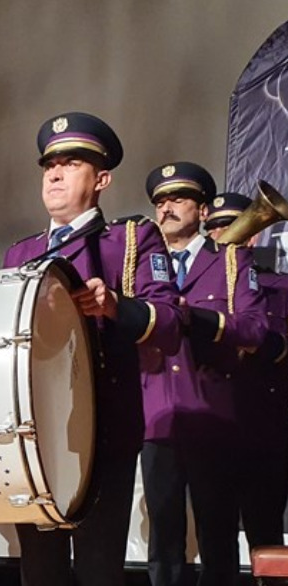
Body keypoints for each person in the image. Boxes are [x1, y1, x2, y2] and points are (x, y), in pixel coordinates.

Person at [3, 113, 182, 586]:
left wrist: (115, 307)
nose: (55, 174)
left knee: (98, 570)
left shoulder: (130, 239)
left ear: (102, 179)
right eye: (49, 166)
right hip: (36, 433)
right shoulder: (19, 254)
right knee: (38, 572)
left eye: (71, 164)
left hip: (102, 431)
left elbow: (169, 323)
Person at [143, 164, 267, 586]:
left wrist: (194, 317)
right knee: (164, 543)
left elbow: (254, 329)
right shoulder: (141, 264)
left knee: (217, 538)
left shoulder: (231, 261)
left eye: (177, 199)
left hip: (212, 413)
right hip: (157, 415)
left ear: (200, 209)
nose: (166, 209)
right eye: (160, 202)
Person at [204, 192, 288, 552]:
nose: (224, 234)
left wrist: (259, 342)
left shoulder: (281, 287)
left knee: (265, 532)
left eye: (232, 225)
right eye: (215, 229)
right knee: (213, 537)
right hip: (209, 424)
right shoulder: (194, 285)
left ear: (253, 235)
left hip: (265, 427)